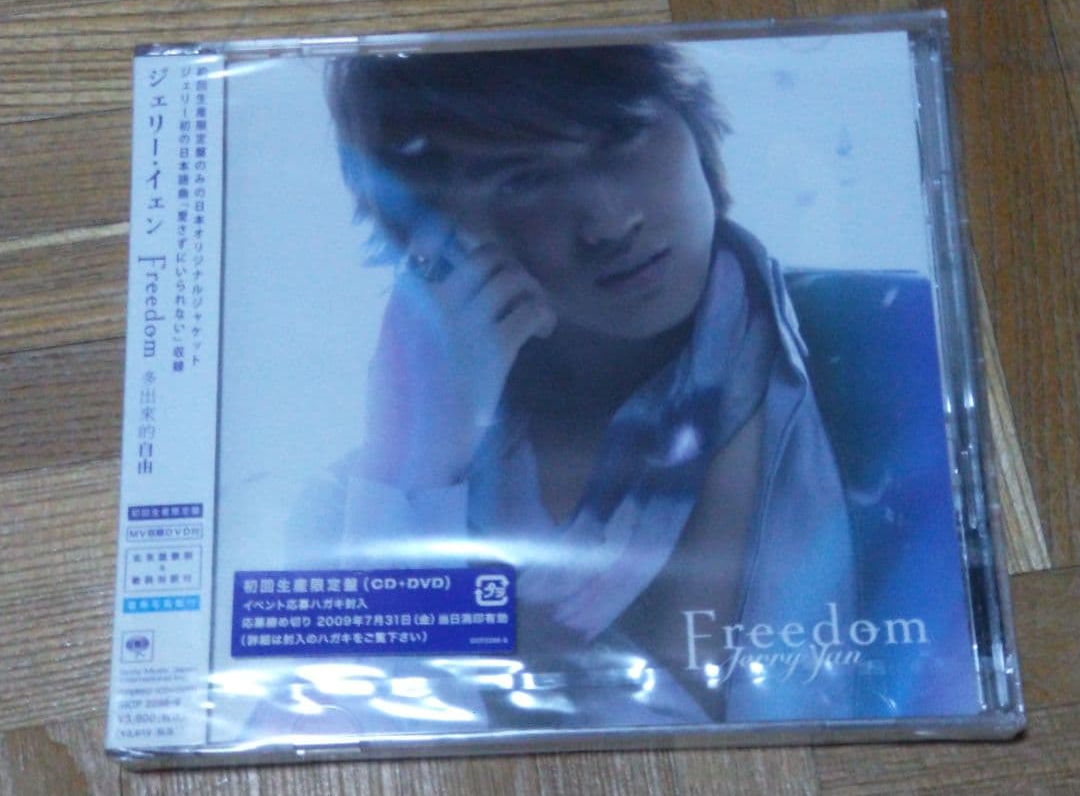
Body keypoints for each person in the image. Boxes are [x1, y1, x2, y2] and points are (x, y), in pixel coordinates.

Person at [267, 42, 865, 731]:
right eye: (525, 179)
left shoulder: (869, 364)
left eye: (623, 136)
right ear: (437, 241)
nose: (609, 223)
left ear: (694, 127)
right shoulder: (360, 510)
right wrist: (418, 465)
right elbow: (368, 741)